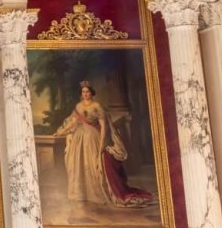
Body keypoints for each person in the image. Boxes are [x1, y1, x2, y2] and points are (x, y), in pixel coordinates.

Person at [53, 81, 152, 209]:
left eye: (87, 91)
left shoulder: (97, 106)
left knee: (94, 165)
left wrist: (101, 145)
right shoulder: (78, 106)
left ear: (92, 92)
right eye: (83, 92)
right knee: (79, 164)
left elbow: (104, 127)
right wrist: (61, 131)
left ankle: (96, 194)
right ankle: (82, 194)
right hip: (79, 139)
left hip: (93, 138)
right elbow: (73, 122)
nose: (85, 94)